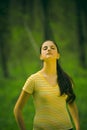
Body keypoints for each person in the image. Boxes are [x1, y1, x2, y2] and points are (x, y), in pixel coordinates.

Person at [14, 40, 80, 130]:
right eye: (45, 48)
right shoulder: (33, 79)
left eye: (52, 48)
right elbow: (17, 109)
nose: (49, 49)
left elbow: (71, 103)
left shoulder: (65, 79)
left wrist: (78, 127)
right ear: (41, 56)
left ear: (58, 55)